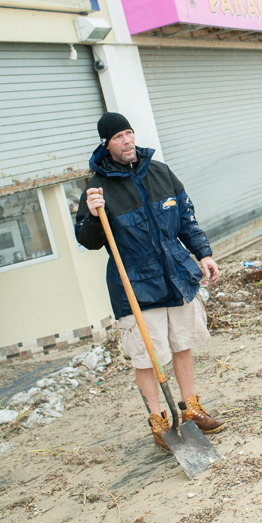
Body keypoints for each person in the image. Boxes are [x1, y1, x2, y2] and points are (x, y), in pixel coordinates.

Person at [75, 112, 225, 450]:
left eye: (128, 133)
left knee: (182, 344)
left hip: (176, 276)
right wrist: (94, 215)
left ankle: (190, 411)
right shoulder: (97, 188)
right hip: (135, 286)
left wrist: (203, 254)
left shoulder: (160, 172)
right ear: (107, 144)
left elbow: (186, 217)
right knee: (147, 357)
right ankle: (159, 424)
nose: (127, 141)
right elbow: (88, 241)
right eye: (118, 137)